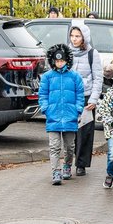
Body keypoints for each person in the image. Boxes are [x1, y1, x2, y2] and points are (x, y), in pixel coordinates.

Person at [39, 44, 84, 185]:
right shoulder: (47, 77)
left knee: (70, 147)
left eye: (62, 61)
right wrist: (45, 108)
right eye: (57, 61)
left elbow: (80, 94)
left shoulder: (75, 77)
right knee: (54, 146)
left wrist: (77, 109)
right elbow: (42, 95)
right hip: (53, 117)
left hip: (70, 117)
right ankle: (55, 171)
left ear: (67, 61)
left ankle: (67, 166)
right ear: (53, 61)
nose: (59, 63)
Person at [68, 23, 103, 176]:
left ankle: (81, 164)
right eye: (72, 36)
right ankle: (67, 162)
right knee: (70, 131)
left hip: (86, 97)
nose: (74, 39)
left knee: (85, 132)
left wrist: (93, 99)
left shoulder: (92, 53)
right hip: (70, 97)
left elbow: (98, 77)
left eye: (78, 36)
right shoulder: (67, 52)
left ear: (84, 37)